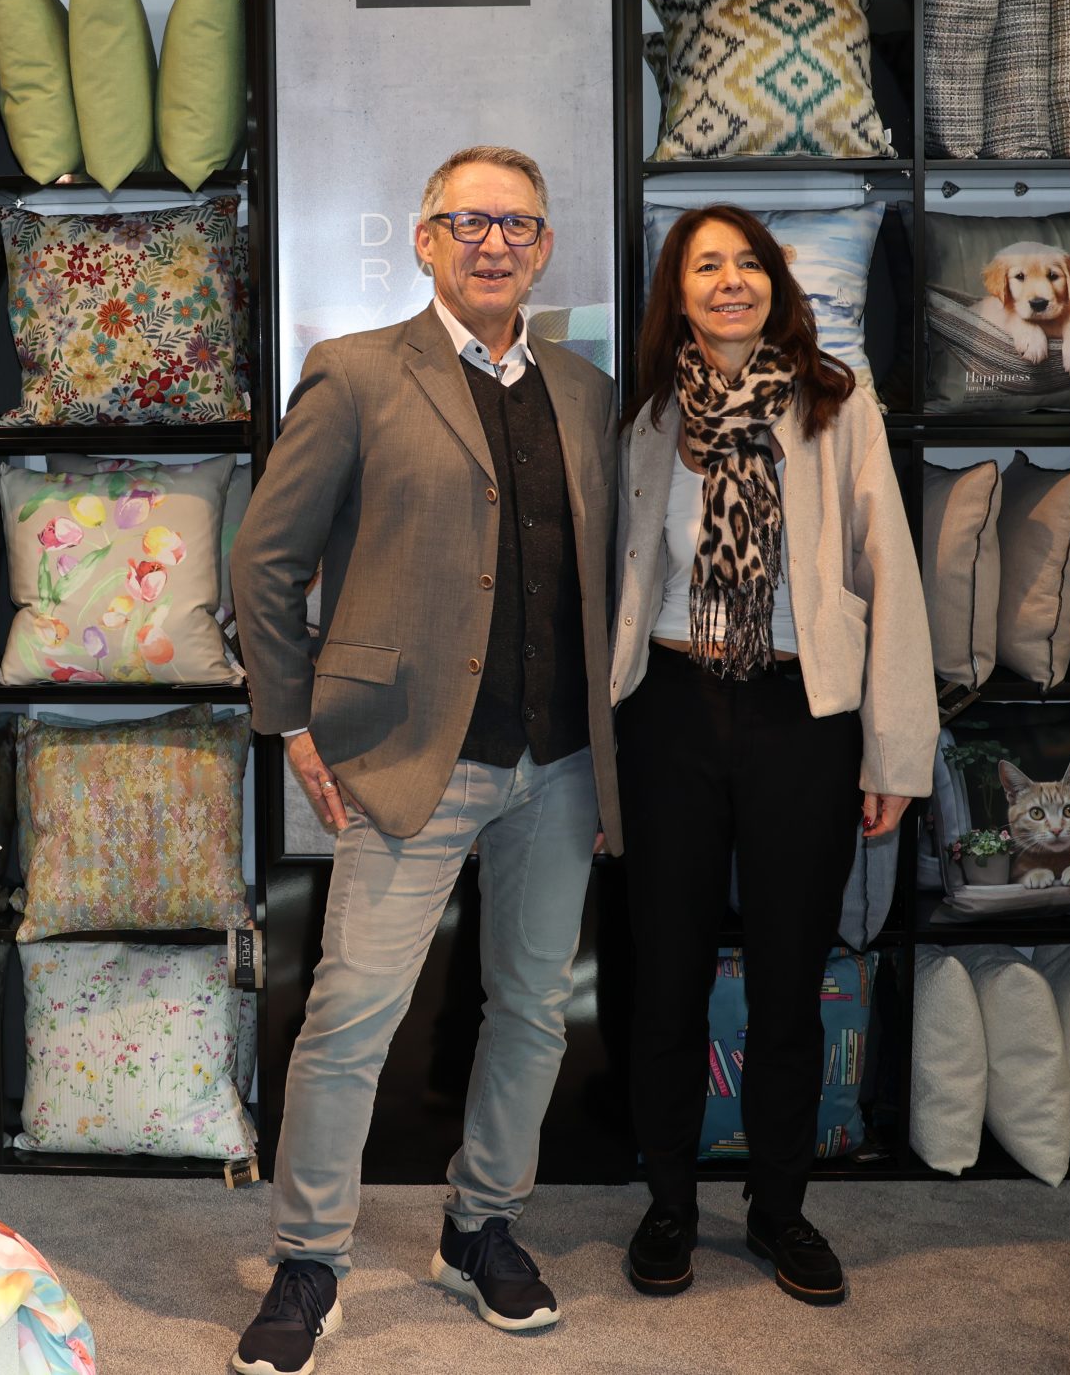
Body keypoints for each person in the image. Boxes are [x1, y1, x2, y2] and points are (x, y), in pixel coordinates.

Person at [228, 145, 620, 1374]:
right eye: (469, 221)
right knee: (350, 1017)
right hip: (407, 756)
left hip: (559, 763)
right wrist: (292, 721)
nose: (494, 242)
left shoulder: (586, 391)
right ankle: (308, 1259)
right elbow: (265, 561)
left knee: (533, 1012)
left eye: (518, 224)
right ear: (425, 239)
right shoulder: (355, 374)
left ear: (544, 248)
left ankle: (480, 1227)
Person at [612, 204, 933, 1307]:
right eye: (706, 265)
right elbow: (620, 581)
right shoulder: (649, 415)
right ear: (678, 291)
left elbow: (888, 569)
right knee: (665, 976)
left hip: (802, 712)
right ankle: (667, 1203)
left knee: (791, 980)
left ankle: (781, 1207)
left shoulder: (835, 402)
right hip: (669, 709)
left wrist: (893, 752)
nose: (730, 280)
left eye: (748, 262)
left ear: (775, 285)